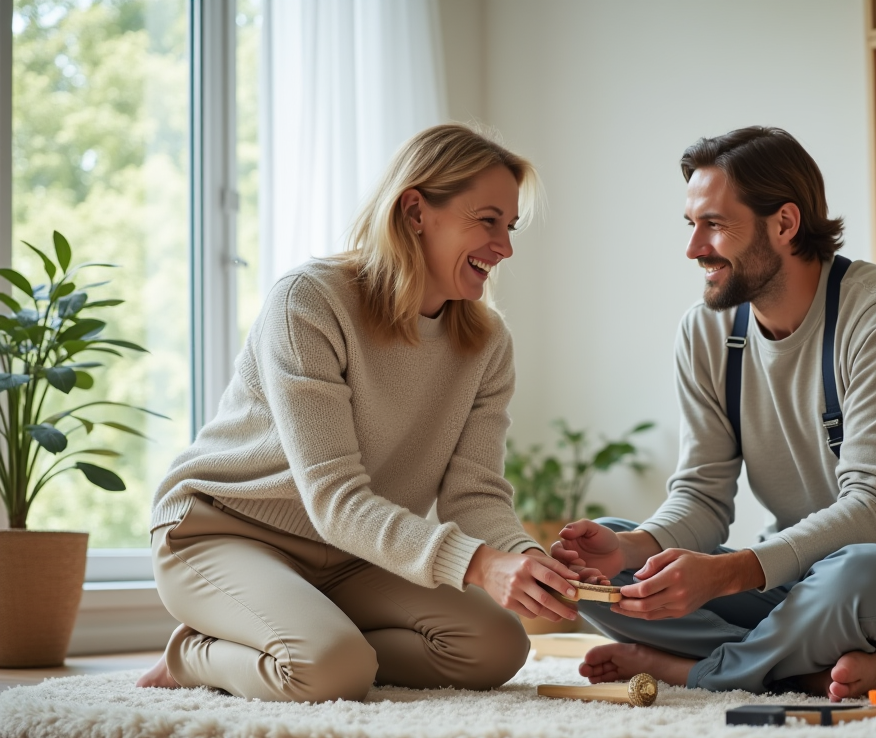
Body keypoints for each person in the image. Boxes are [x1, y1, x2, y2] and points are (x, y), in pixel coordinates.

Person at [136, 124, 593, 702]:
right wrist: (478, 565)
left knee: (497, 646)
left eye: (510, 225)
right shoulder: (309, 301)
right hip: (225, 531)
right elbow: (335, 499)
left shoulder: (487, 343)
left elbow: (474, 494)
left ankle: (302, 635)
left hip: (351, 555)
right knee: (329, 672)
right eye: (488, 220)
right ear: (415, 211)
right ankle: (194, 653)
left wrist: (530, 565)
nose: (504, 247)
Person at [553, 126, 876, 700]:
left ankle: (691, 668)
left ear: (784, 224)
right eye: (692, 225)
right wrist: (637, 549)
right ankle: (799, 662)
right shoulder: (705, 330)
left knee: (865, 570)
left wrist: (726, 573)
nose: (693, 248)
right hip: (788, 586)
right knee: (595, 565)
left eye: (715, 224)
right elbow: (703, 498)